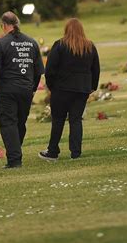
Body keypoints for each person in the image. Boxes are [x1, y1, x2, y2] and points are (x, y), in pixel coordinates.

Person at [39, 18, 100, 161]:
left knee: (58, 120)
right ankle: (76, 153)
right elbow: (95, 69)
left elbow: (50, 69)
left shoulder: (60, 45)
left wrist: (51, 86)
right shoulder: (90, 46)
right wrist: (92, 86)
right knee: (76, 120)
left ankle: (53, 151)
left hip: (61, 89)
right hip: (82, 89)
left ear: (66, 29)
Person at [0, 11, 44, 169]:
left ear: (5, 25)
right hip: (26, 89)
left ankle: (14, 160)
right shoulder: (32, 42)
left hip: (7, 89)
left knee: (8, 123)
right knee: (20, 122)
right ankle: (15, 150)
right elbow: (39, 70)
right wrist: (33, 89)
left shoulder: (1, 43)